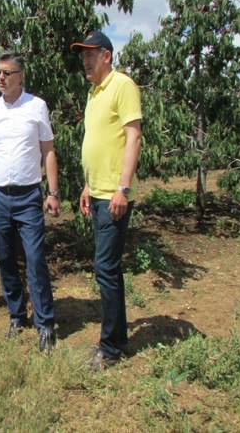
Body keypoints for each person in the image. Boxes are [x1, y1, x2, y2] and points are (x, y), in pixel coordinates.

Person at [0, 51, 60, 353]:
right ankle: (17, 315)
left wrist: (53, 191)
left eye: (7, 72)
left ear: (21, 76)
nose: (1, 77)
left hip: (28, 194)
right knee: (5, 258)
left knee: (35, 259)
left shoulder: (37, 107)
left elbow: (47, 150)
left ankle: (45, 322)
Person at [70, 30, 143, 370]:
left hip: (114, 195)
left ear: (107, 56)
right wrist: (87, 185)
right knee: (109, 269)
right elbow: (96, 141)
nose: (84, 59)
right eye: (82, 54)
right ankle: (119, 338)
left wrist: (122, 188)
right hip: (97, 193)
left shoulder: (122, 85)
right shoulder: (93, 93)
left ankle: (109, 349)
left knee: (104, 268)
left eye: (90, 53)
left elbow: (133, 137)